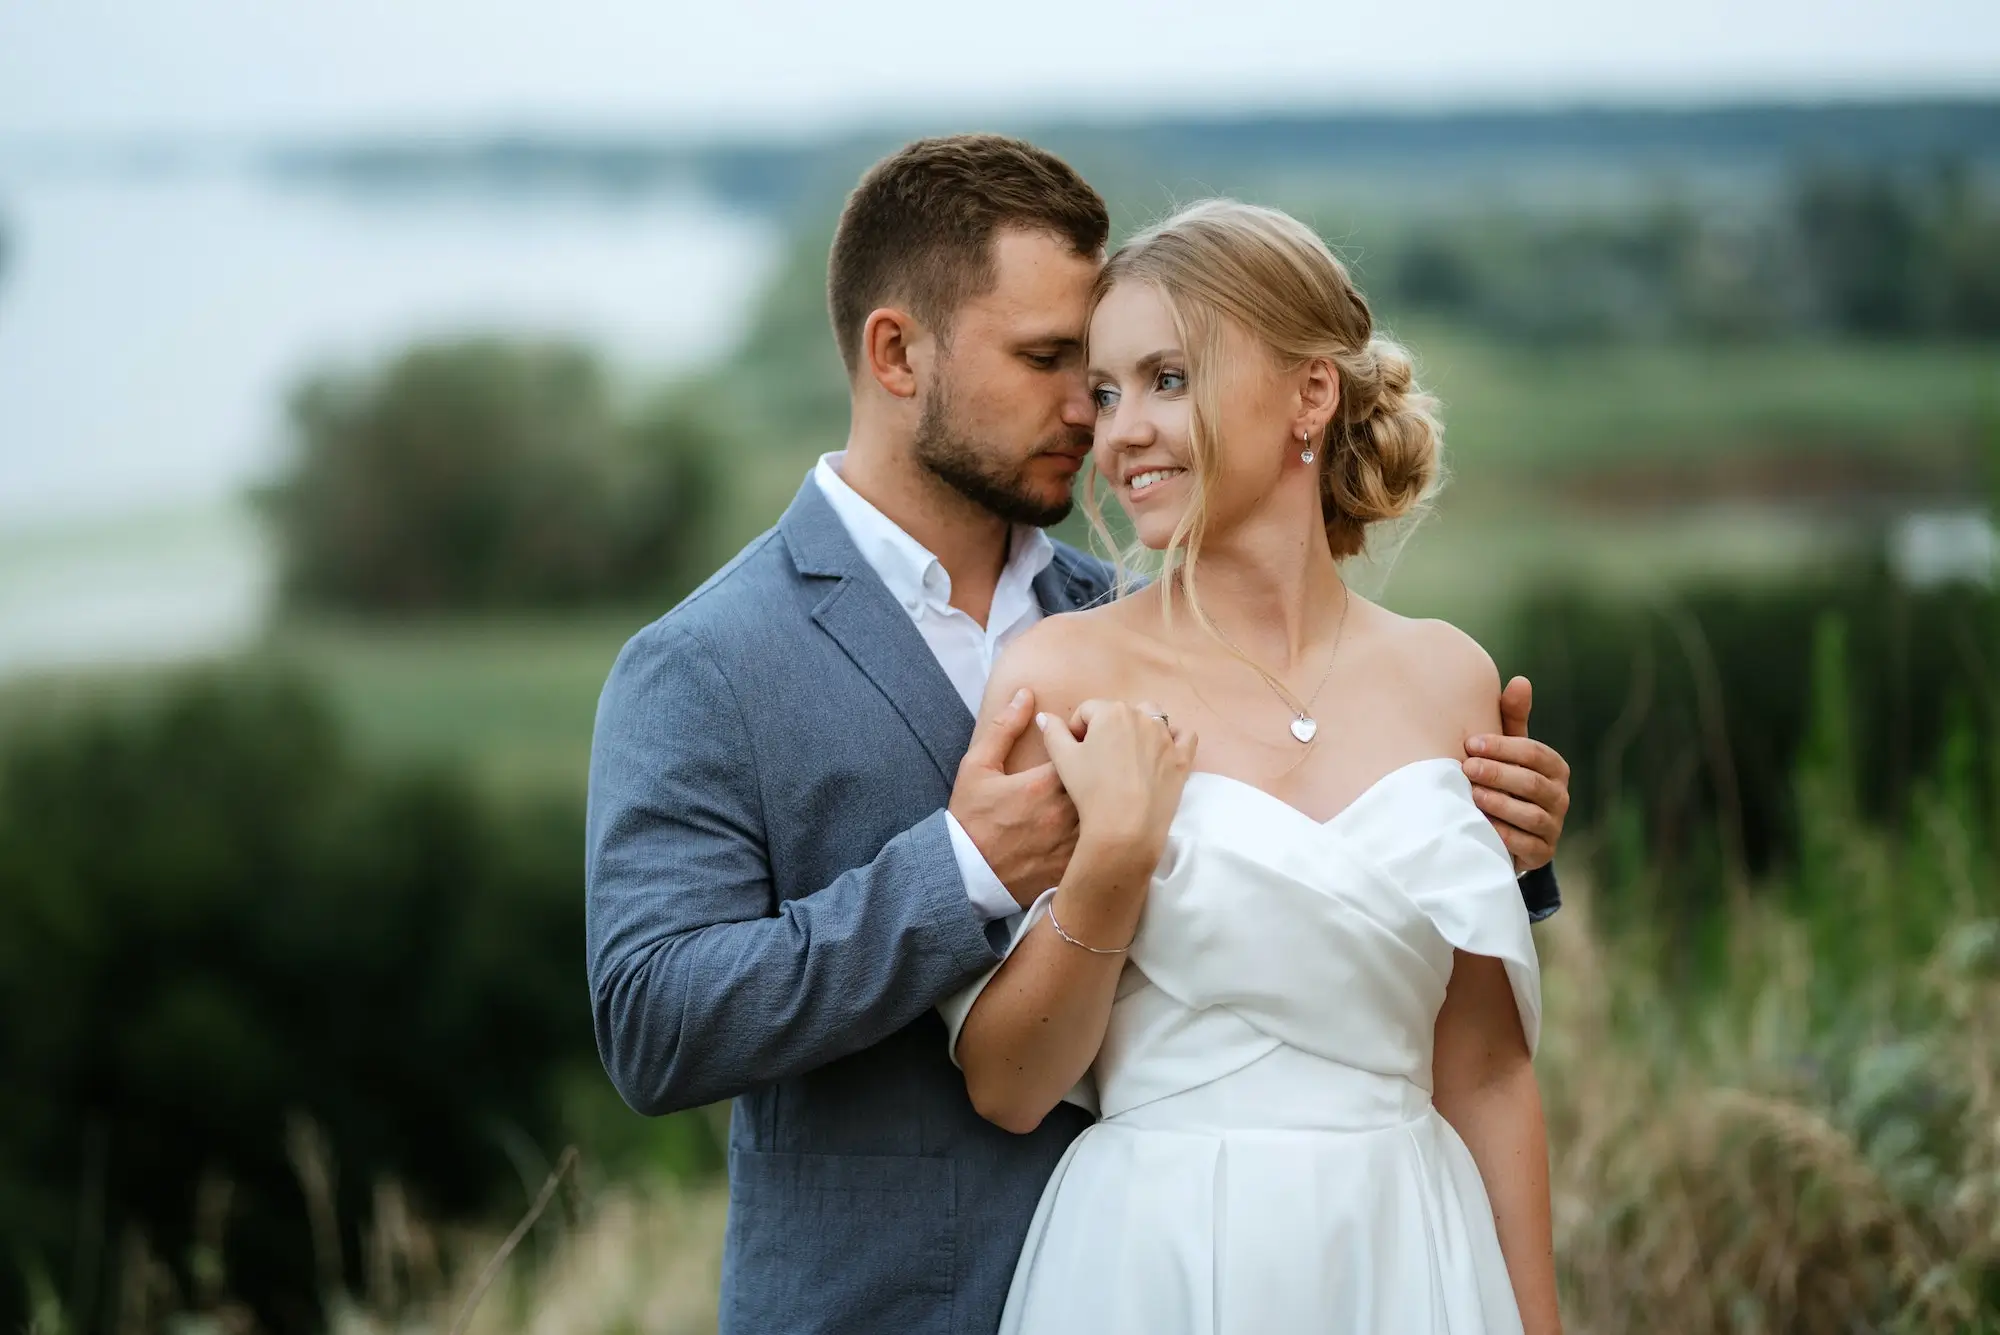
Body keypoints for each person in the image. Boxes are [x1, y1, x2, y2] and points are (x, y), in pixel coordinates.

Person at [585, 137, 1571, 1335]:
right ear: (897, 353)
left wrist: (1501, 849)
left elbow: (1344, 913)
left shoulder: (1115, 611)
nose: (1090, 417)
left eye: (1117, 376)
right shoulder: (707, 663)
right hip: (905, 1305)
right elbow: (651, 1020)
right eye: (1059, 364)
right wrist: (957, 867)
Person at [945, 198, 1562, 1333]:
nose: (1119, 430)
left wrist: (1535, 1321)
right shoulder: (1063, 677)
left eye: (1167, 380)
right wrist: (1112, 866)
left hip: (1405, 1251)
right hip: (1155, 1256)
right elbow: (1008, 1084)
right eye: (1106, 390)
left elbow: (1481, 1071)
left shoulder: (1448, 681)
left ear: (1309, 395)